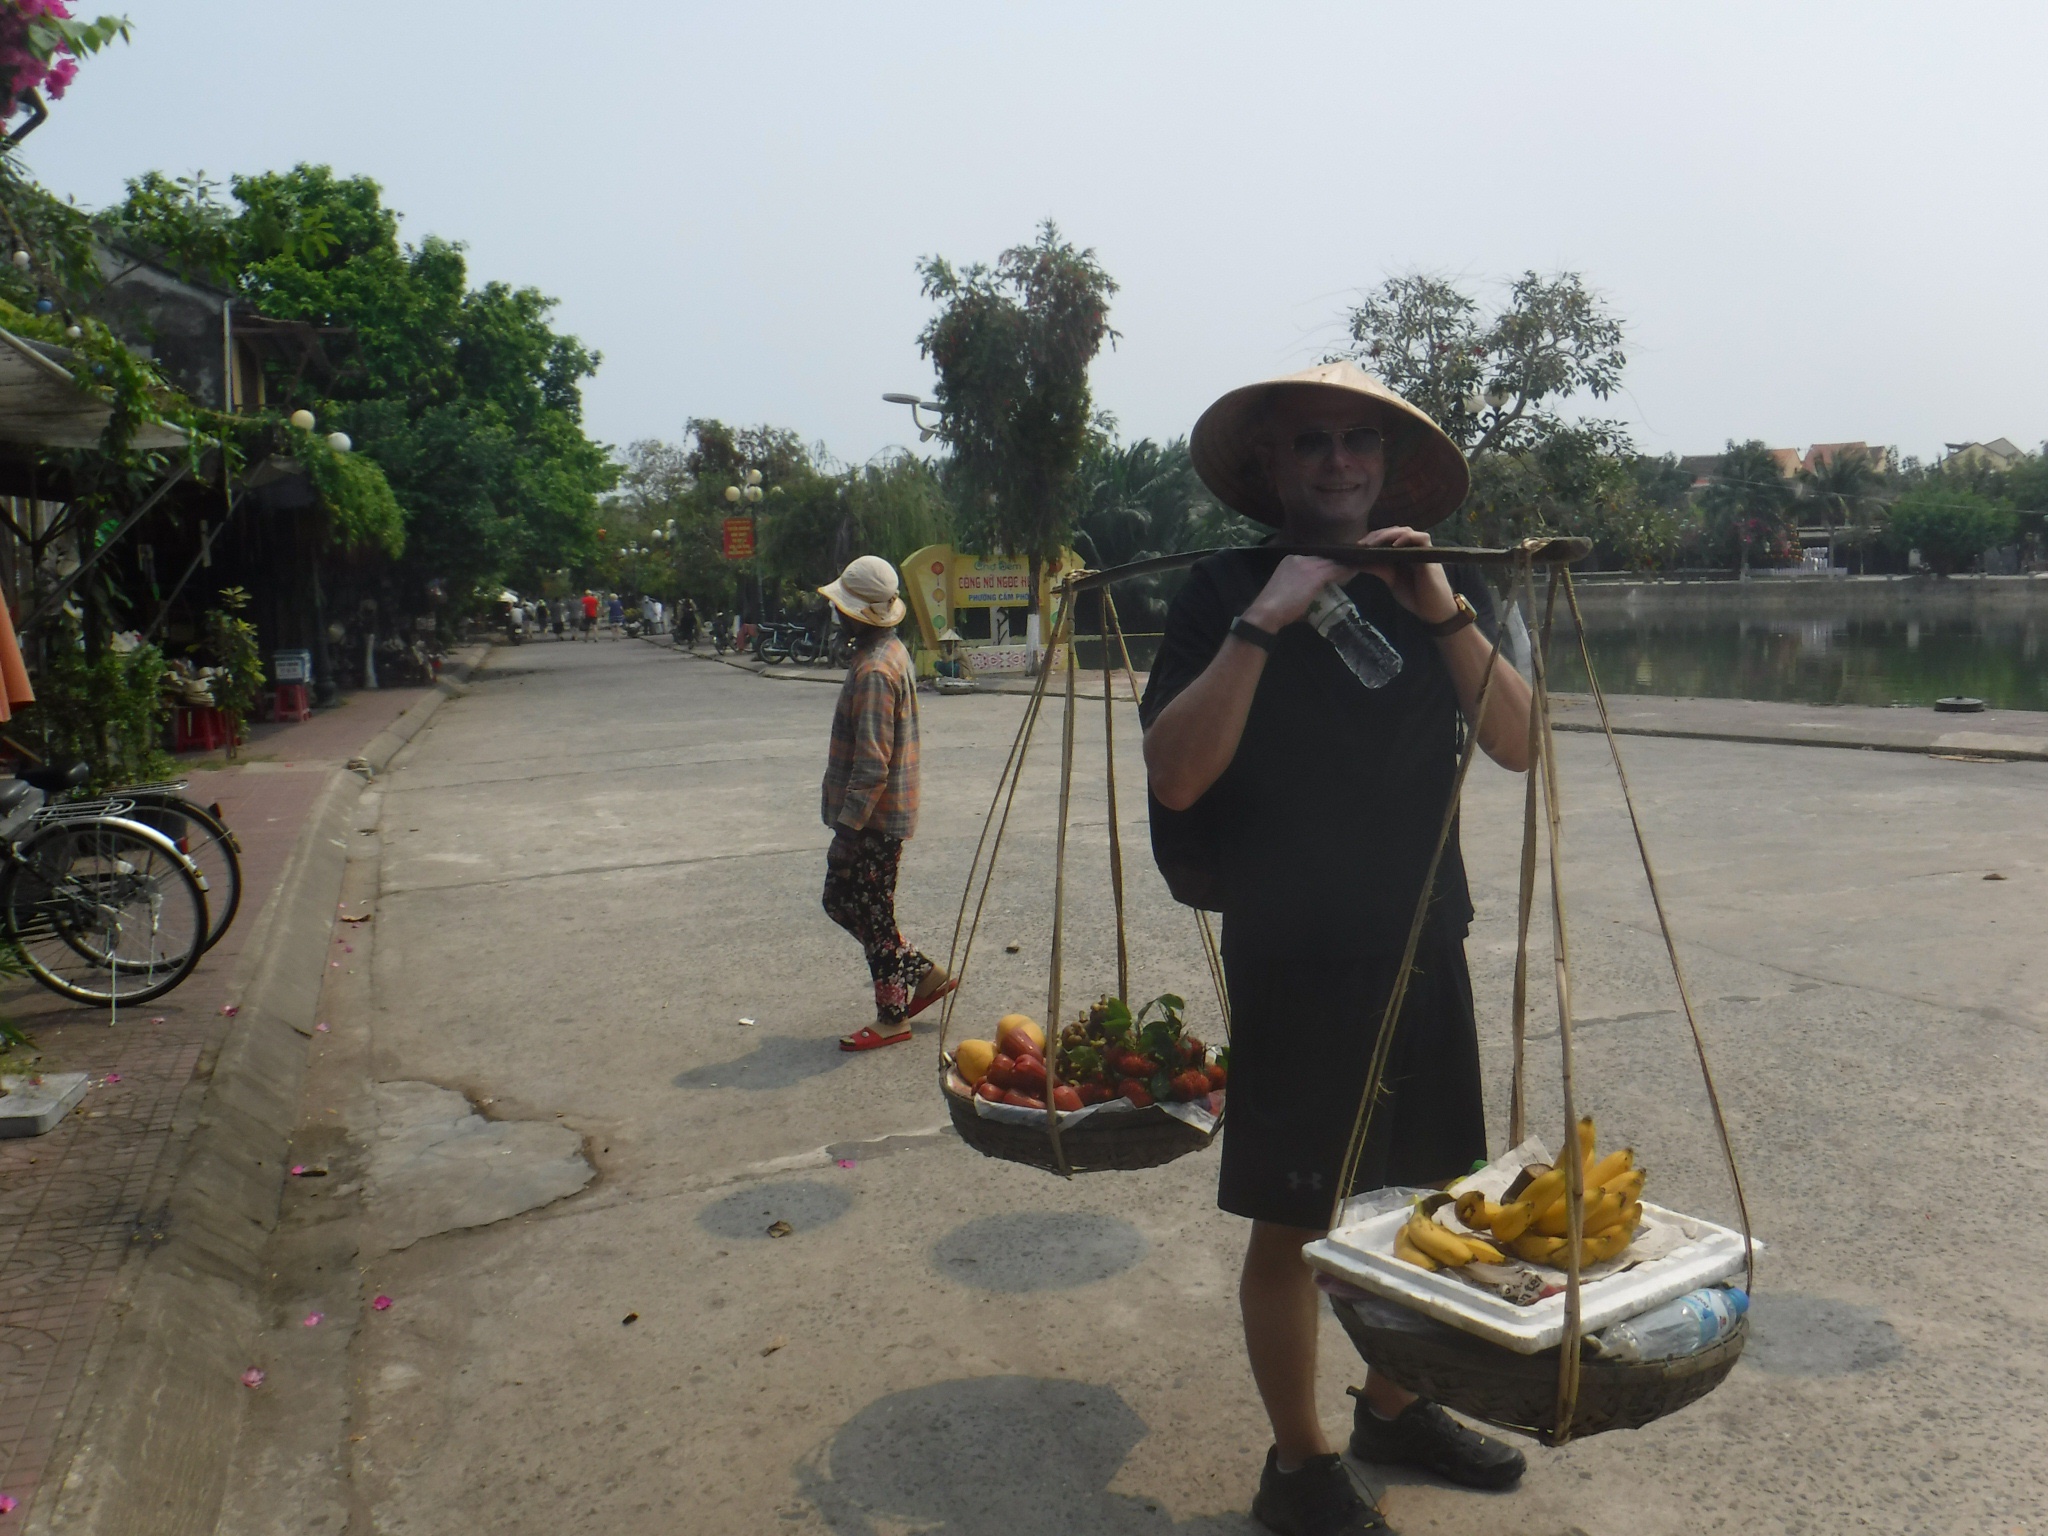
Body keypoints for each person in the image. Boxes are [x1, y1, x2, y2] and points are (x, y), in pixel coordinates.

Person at [1140, 362, 1535, 1536]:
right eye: (1309, 441)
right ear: (1269, 463)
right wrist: (1268, 615)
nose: (1335, 462)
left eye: (1357, 441)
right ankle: (1298, 1462)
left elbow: (1519, 743)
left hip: (1421, 936)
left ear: (1388, 463)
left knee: (1434, 1198)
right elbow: (1175, 774)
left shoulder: (1438, 583)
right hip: (1291, 950)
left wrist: (1438, 606)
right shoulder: (1222, 590)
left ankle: (1394, 1408)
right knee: (1295, 1217)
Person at [817, 555, 956, 1050]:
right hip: (878, 814)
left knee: (874, 917)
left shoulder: (876, 669)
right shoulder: (887, 651)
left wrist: (847, 831)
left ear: (859, 615)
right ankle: (924, 974)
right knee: (841, 901)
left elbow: (873, 763)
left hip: (873, 818)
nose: (838, 614)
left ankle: (893, 1016)